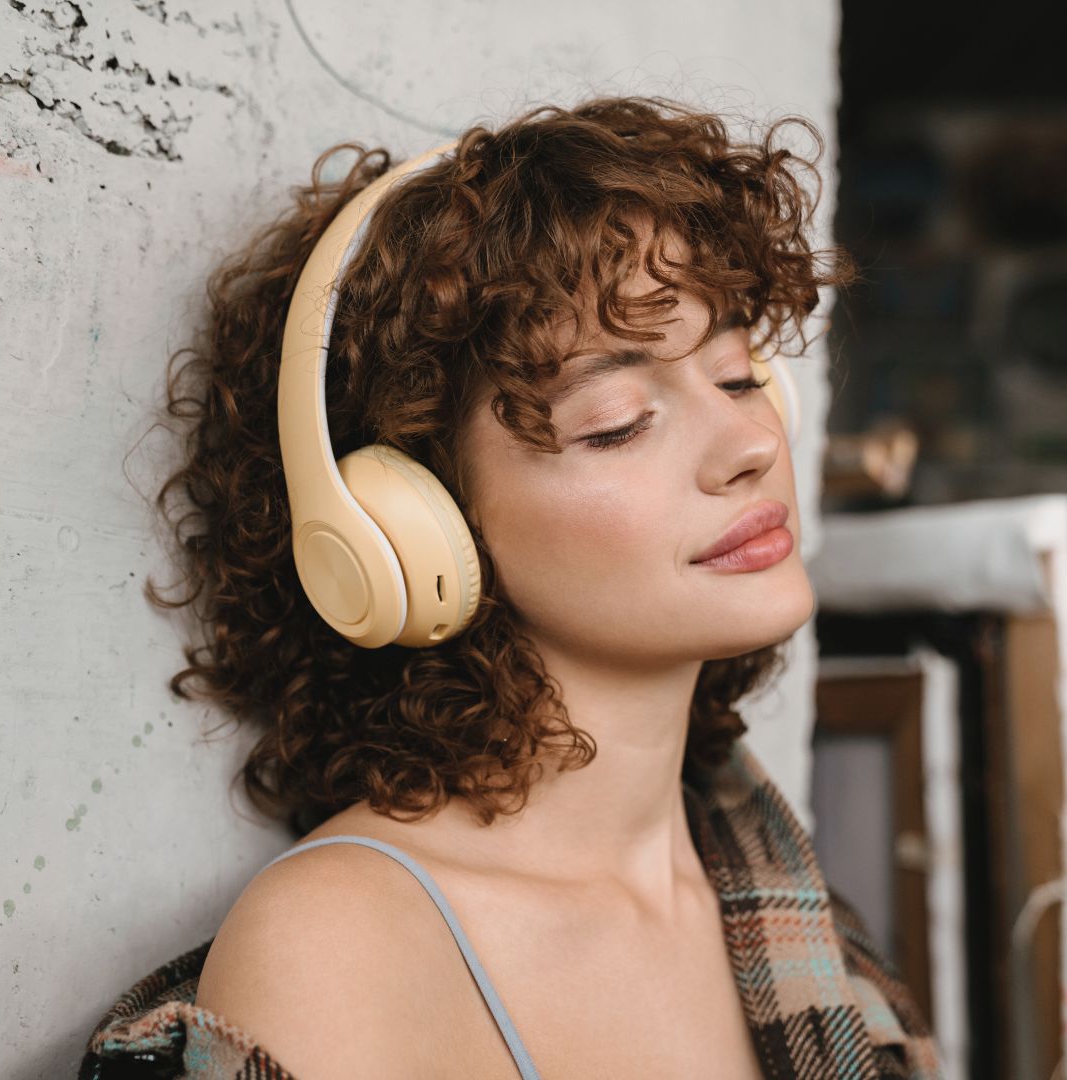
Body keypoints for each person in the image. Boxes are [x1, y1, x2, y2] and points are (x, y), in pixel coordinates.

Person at [79, 95, 943, 1079]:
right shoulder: (341, 947)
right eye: (616, 422)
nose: (751, 447)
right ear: (405, 526)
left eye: (739, 376)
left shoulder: (793, 911)